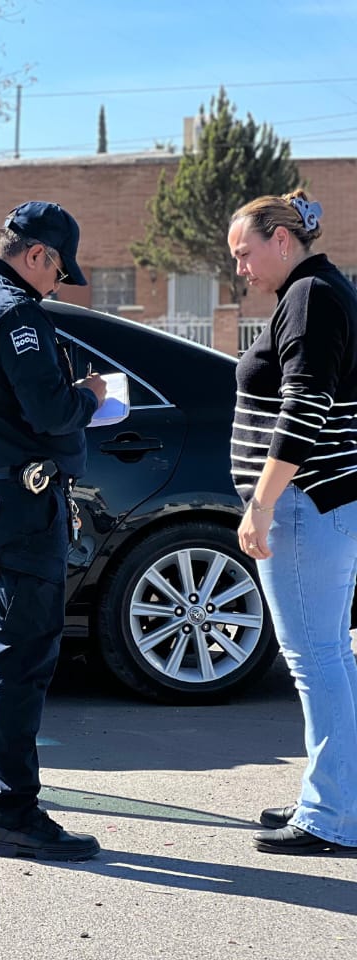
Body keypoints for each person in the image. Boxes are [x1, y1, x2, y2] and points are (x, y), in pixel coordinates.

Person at [0, 201, 106, 861]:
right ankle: (13, 814)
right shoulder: (12, 310)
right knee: (18, 662)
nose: (56, 287)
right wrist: (92, 395)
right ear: (36, 254)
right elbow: (51, 411)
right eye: (58, 273)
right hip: (18, 511)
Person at [227, 190, 357, 856]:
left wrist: (262, 502)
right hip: (321, 505)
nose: (241, 269)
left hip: (305, 505)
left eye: (245, 253)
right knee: (330, 656)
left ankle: (332, 816)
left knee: (316, 661)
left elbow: (306, 407)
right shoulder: (320, 291)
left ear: (282, 239)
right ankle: (334, 798)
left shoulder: (309, 297)